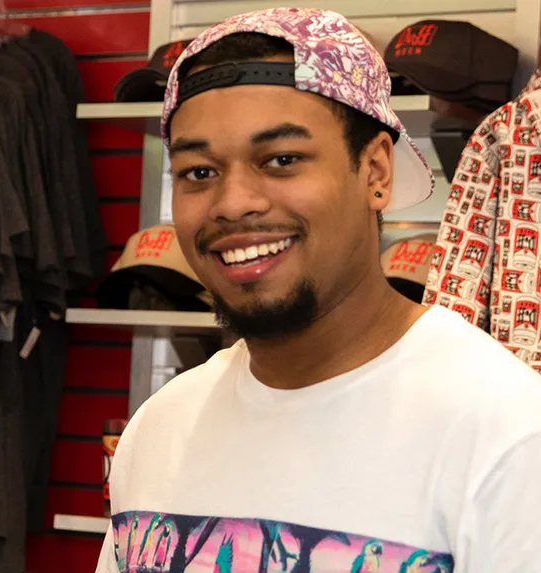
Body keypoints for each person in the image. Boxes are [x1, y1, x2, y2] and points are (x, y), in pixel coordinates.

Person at [96, 8, 541, 573]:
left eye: (282, 160)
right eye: (199, 172)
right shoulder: (158, 430)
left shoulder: (508, 437)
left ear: (376, 171)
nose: (234, 203)